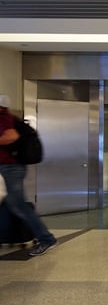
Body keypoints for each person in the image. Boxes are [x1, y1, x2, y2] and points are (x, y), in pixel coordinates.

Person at [0, 95, 58, 256]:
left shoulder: (3, 117)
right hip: (9, 167)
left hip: (10, 168)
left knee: (18, 205)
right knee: (9, 204)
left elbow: (11, 136)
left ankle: (46, 238)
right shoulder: (10, 117)